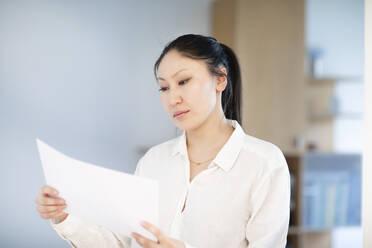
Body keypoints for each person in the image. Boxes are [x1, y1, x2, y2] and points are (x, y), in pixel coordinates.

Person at [35, 34, 290, 248]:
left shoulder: (264, 163)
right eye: (164, 88)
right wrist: (65, 217)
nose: (173, 98)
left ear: (220, 79)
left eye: (183, 81)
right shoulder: (154, 160)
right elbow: (123, 241)